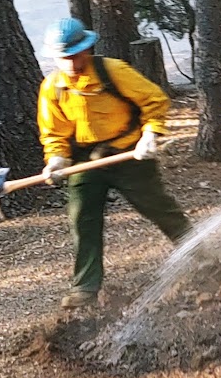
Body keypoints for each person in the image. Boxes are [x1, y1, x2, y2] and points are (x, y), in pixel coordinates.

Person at [37, 17, 190, 309]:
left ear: (86, 49)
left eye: (74, 55)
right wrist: (56, 159)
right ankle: (85, 288)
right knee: (82, 219)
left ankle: (203, 260)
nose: (70, 63)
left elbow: (154, 100)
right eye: (63, 57)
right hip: (85, 162)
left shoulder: (113, 71)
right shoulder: (52, 87)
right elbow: (53, 132)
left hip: (129, 153)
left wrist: (150, 134)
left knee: (159, 207)